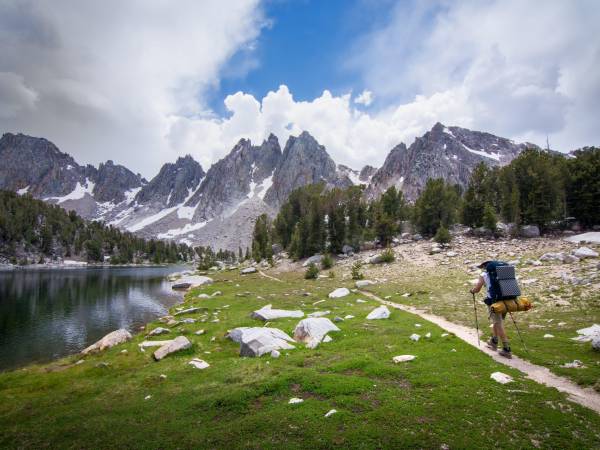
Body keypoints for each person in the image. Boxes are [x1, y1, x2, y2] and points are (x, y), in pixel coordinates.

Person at [470, 261, 512, 358]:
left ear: (485, 267)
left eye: (482, 267)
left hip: (494, 302)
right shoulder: (501, 272)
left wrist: (472, 291)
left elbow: (477, 289)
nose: (482, 269)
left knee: (498, 323)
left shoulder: (484, 274)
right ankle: (494, 341)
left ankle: (507, 349)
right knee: (497, 322)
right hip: (507, 300)